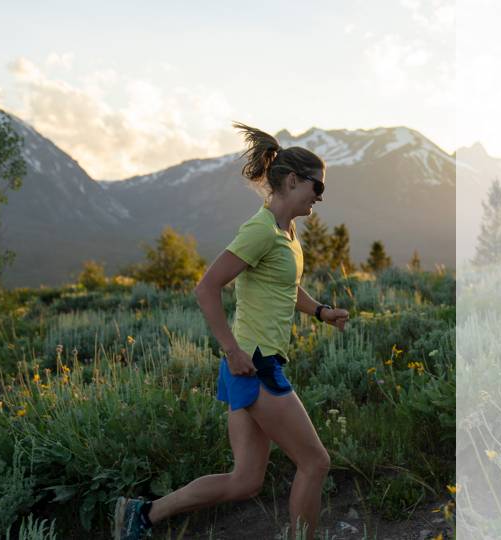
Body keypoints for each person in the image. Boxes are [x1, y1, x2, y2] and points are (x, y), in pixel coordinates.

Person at [114, 122, 350, 540]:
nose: (320, 197)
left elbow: (286, 287)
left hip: (253, 363)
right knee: (315, 463)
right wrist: (233, 351)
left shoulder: (286, 232)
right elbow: (207, 287)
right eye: (317, 188)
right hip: (254, 365)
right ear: (293, 181)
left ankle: (143, 515)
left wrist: (320, 312)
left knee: (245, 481)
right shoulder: (260, 230)